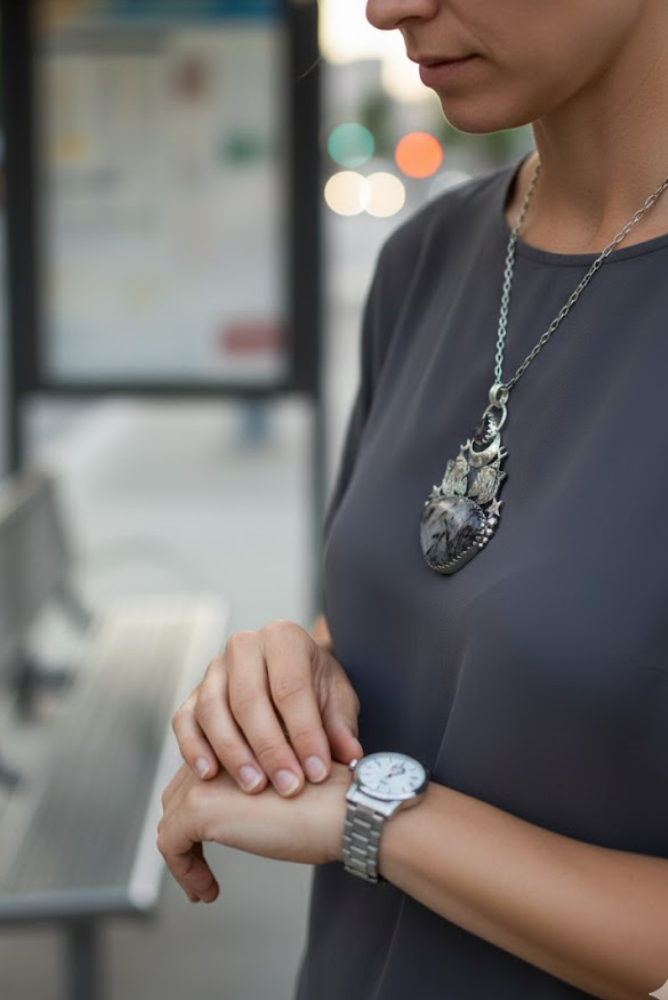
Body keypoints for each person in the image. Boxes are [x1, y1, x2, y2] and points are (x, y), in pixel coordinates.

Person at [157, 2, 668, 998]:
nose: (384, 7)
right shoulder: (424, 258)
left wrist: (379, 818)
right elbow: (396, 623)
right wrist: (288, 678)